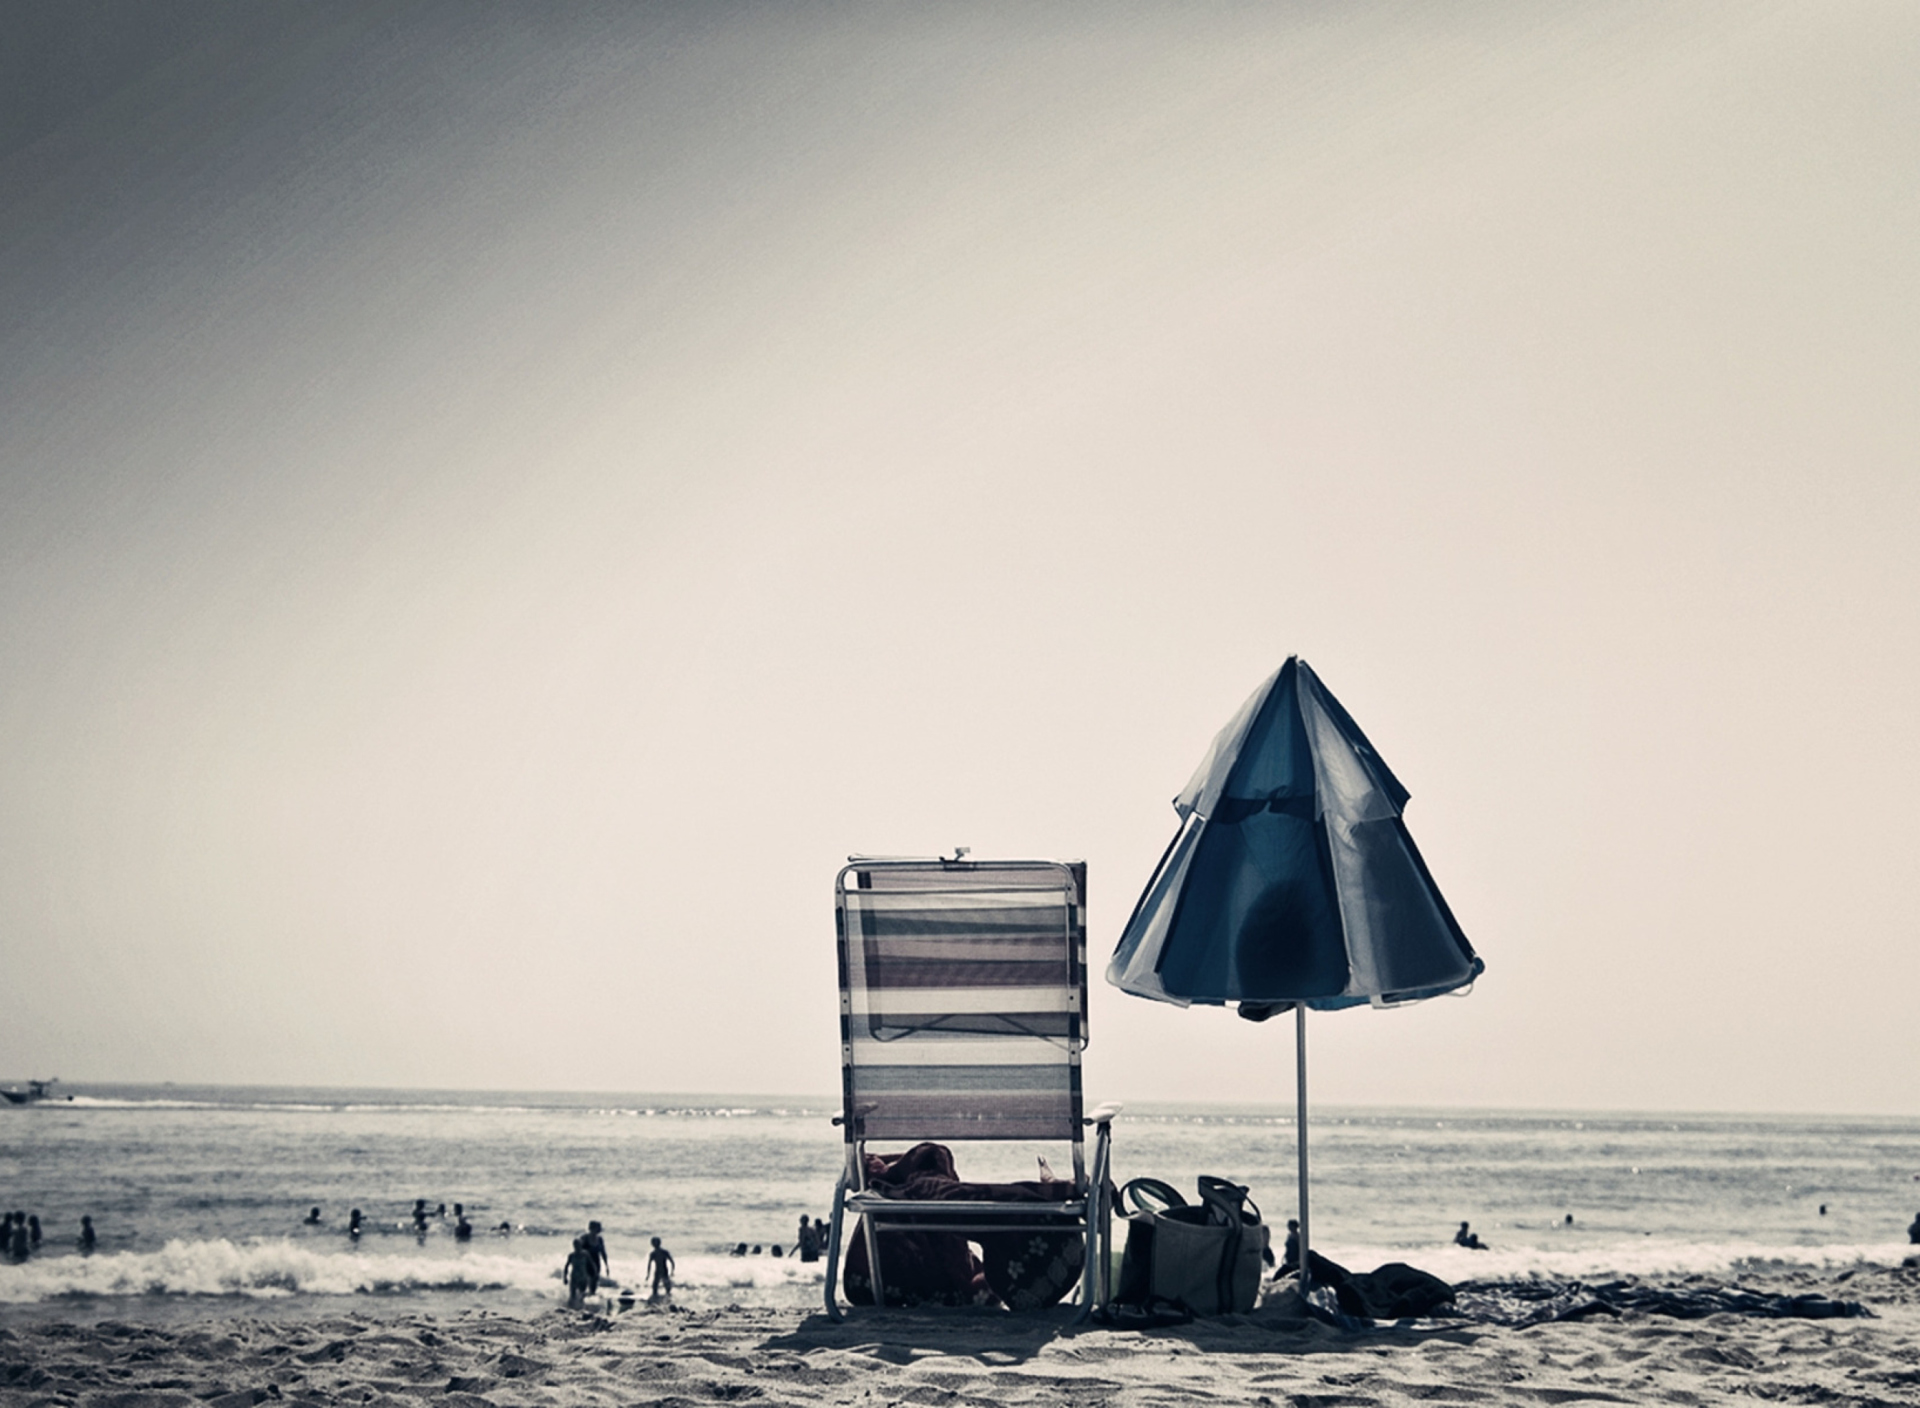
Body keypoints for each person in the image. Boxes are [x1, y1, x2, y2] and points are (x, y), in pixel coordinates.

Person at [562, 1237, 594, 1310]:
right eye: (575, 1245)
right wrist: (565, 1277)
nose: (577, 1247)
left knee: (581, 1295)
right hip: (574, 1277)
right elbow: (566, 1266)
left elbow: (591, 1264)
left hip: (583, 1277)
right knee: (572, 1296)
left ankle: (581, 1309)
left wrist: (593, 1275)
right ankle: (570, 1309)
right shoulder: (571, 1255)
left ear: (581, 1245)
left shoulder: (586, 1254)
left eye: (578, 1245)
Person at [584, 1220, 611, 1292]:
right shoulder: (584, 1238)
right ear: (591, 1229)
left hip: (596, 1262)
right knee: (584, 1282)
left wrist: (606, 1265)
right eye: (597, 1229)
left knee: (594, 1282)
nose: (598, 1231)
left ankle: (591, 1298)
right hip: (586, 1262)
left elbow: (603, 1252)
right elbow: (578, 1252)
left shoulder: (600, 1239)